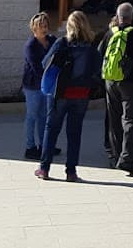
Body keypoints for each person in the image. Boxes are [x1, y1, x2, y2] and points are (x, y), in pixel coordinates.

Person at [36, 11, 101, 182]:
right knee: (74, 133)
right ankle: (71, 171)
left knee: (51, 130)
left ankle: (44, 168)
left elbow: (45, 64)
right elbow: (98, 71)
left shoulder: (62, 43)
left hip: (60, 93)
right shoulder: (91, 48)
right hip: (81, 95)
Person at [100, 2, 133, 175]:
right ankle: (127, 159)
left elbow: (100, 53)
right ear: (132, 16)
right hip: (131, 83)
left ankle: (115, 156)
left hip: (110, 80)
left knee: (114, 118)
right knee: (130, 120)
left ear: (117, 16)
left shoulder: (110, 33)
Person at [21, 12, 55, 159]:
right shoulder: (31, 45)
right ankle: (30, 147)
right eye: (41, 26)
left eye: (46, 26)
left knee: (44, 116)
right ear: (34, 28)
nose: (44, 29)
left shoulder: (52, 41)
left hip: (46, 85)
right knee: (32, 115)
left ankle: (44, 145)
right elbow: (36, 68)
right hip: (33, 85)